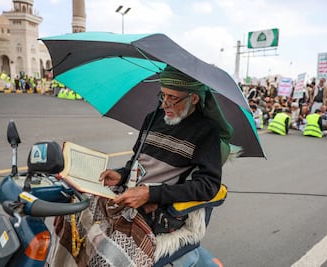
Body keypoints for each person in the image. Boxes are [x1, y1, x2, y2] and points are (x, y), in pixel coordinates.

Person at [51, 66, 232, 267]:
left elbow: (208, 186)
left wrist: (151, 194)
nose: (165, 104)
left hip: (156, 212)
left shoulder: (206, 132)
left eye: (173, 98)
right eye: (162, 95)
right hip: (126, 196)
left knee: (107, 257)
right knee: (72, 214)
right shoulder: (152, 119)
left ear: (194, 99)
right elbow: (137, 163)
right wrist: (121, 175)